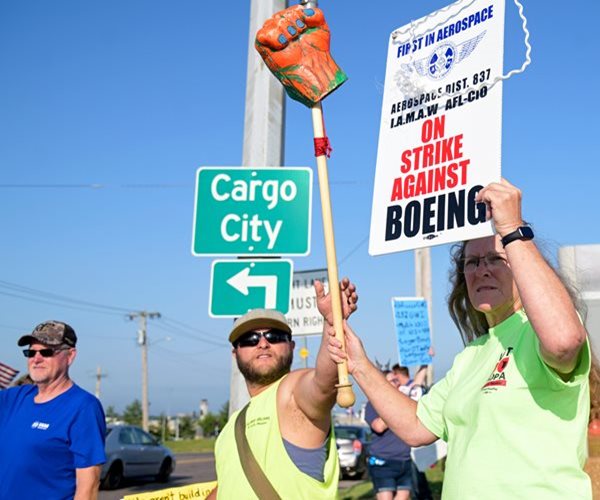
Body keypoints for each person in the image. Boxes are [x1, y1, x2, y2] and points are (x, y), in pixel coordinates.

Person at [328, 179, 593, 498]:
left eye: (495, 259)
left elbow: (563, 341)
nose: (482, 270)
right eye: (472, 262)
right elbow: (416, 427)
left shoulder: (538, 333)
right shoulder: (471, 355)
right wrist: (358, 362)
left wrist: (512, 228)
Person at [210, 278, 358, 499]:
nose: (263, 344)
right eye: (250, 339)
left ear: (291, 346)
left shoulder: (291, 393)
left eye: (275, 337)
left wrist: (332, 324)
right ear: (235, 353)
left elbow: (322, 384)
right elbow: (228, 487)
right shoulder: (230, 428)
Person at [0, 320, 106, 498]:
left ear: (70, 355)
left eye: (46, 352)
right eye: (30, 352)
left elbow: (88, 486)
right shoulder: (13, 398)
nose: (36, 359)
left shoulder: (83, 407)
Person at [366, 370, 415, 500]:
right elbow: (378, 426)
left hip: (404, 460)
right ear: (383, 383)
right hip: (383, 461)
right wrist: (394, 407)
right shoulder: (372, 404)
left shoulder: (404, 401)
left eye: (397, 380)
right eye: (393, 381)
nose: (397, 383)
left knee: (403, 496)